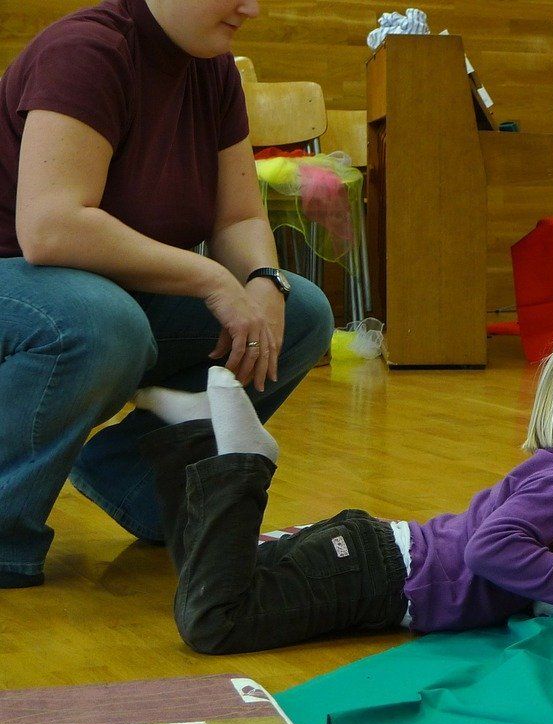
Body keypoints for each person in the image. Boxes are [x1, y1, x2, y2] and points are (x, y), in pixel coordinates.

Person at [0, 0, 334, 590]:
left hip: (109, 288)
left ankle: (134, 478)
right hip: (21, 276)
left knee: (301, 313)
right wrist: (209, 279)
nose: (252, 8)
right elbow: (52, 228)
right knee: (101, 324)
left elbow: (236, 217)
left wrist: (264, 282)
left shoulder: (214, 68)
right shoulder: (87, 53)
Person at [133, 327, 553, 653]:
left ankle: (198, 437)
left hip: (374, 554)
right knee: (215, 623)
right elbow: (493, 550)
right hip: (377, 575)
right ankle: (242, 461)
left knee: (212, 575)